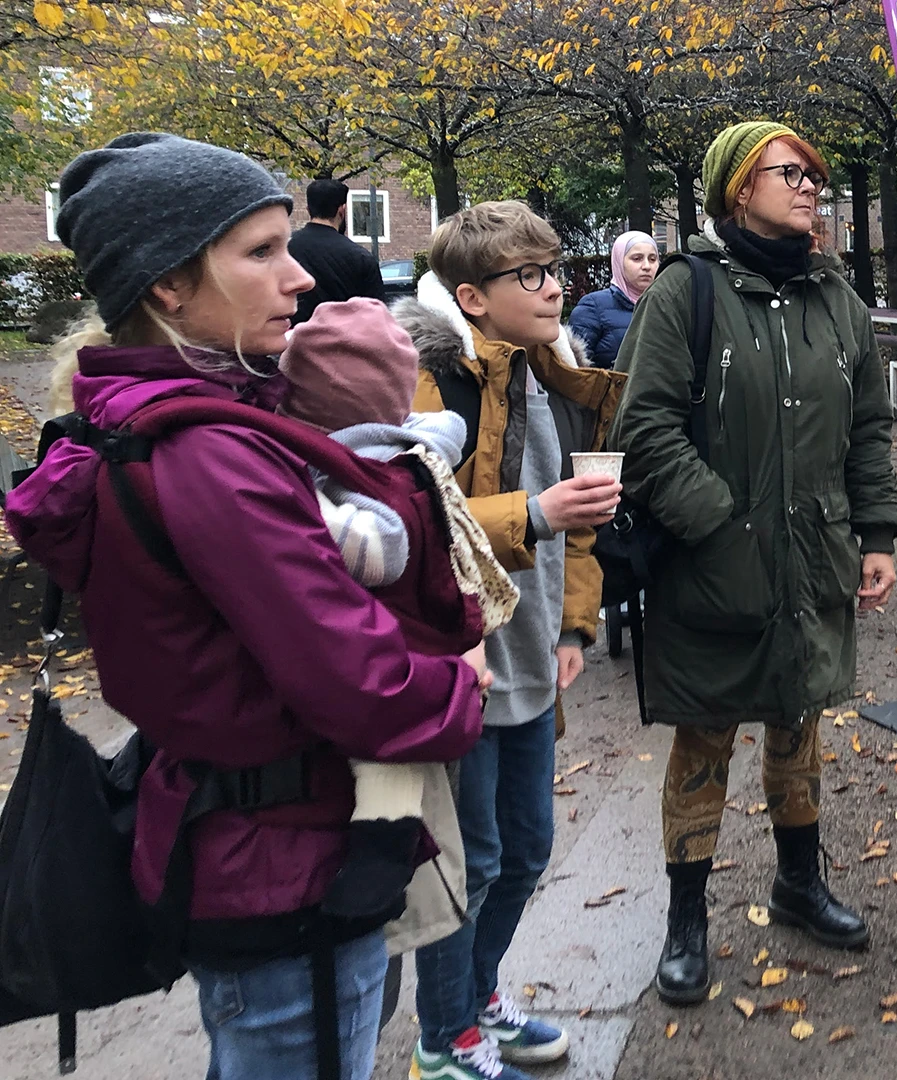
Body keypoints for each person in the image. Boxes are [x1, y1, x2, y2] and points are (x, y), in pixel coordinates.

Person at [3, 132, 487, 1080]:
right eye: (260, 252)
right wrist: (461, 682)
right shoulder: (214, 458)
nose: (299, 278)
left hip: (241, 844)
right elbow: (362, 685)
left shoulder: (161, 426)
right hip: (282, 870)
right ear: (168, 286)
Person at [612, 121, 897, 1010]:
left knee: (798, 723)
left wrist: (880, 535)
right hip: (713, 563)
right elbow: (645, 428)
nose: (811, 185)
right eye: (792, 172)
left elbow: (868, 429)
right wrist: (720, 524)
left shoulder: (837, 298)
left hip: (812, 558)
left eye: (815, 172)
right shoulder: (685, 292)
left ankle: (798, 885)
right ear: (739, 188)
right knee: (705, 734)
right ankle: (686, 922)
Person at [391, 202, 626, 1080]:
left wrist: (575, 621)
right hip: (463, 658)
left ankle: (477, 996)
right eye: (530, 274)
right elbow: (411, 520)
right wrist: (532, 513)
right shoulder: (429, 376)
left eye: (557, 267)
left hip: (532, 650)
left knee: (525, 848)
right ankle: (442, 1039)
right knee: (471, 861)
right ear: (472, 297)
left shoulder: (556, 372)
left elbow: (582, 524)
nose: (556, 285)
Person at [276, 297, 521, 922]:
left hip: (408, 649)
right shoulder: (418, 447)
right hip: (423, 642)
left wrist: (301, 513)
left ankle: (381, 852)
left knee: (387, 762)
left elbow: (382, 547)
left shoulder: (386, 467)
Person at [288, 178, 386, 325]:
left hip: (292, 342)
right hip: (345, 344)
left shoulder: (285, 248)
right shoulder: (361, 257)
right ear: (342, 210)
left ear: (308, 210)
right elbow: (377, 318)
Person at [569, 231, 659, 369]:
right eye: (637, 258)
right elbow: (577, 372)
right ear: (618, 262)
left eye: (652, 259)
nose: (646, 266)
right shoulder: (593, 307)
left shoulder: (665, 306)